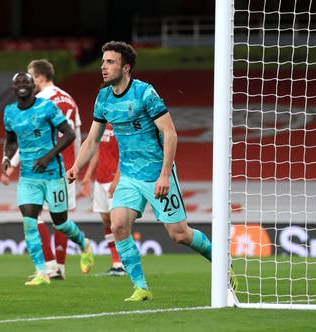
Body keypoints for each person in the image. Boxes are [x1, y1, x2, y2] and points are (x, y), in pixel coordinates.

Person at [67, 41, 231, 301]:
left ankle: (221, 262)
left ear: (126, 67)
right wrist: (77, 166)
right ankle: (141, 287)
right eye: (103, 62)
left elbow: (170, 133)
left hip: (157, 174)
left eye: (110, 62)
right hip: (129, 176)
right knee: (118, 224)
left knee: (179, 235)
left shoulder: (145, 93)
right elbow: (92, 139)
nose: (103, 67)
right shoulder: (104, 97)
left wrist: (165, 174)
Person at [2, 72, 94, 286]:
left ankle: (83, 242)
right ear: (13, 88)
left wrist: (47, 157)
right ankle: (41, 272)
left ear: (34, 85)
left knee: (60, 223)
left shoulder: (47, 107)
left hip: (53, 174)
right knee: (29, 221)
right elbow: (11, 140)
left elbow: (69, 134)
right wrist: (7, 158)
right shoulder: (9, 113)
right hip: (28, 177)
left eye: (27, 82)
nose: (23, 85)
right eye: (18, 83)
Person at [81, 123, 126, 276]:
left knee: (117, 223)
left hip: (114, 179)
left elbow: (125, 154)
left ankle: (124, 263)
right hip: (100, 180)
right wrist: (88, 176)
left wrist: (116, 180)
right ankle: (116, 263)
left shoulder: (121, 126)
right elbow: (97, 151)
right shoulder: (102, 125)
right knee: (106, 221)